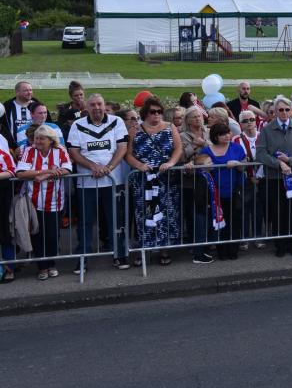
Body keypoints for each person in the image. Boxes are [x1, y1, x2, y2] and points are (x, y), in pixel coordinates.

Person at [67, 94, 130, 270]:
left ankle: (120, 255)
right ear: (86, 107)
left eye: (99, 104)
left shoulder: (116, 121)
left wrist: (108, 167)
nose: (97, 108)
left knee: (115, 220)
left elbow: (122, 147)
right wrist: (93, 166)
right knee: (85, 222)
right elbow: (74, 151)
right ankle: (83, 258)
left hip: (112, 181)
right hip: (86, 183)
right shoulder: (78, 125)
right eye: (92, 105)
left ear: (104, 105)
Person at [125, 97, 182, 266]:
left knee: (167, 214)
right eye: (152, 112)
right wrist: (139, 165)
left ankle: (164, 249)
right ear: (145, 113)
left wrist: (171, 163)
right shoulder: (135, 131)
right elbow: (127, 154)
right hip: (143, 180)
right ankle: (144, 249)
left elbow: (178, 148)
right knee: (144, 214)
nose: (156, 115)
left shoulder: (170, 128)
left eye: (159, 111)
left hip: (165, 179)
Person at [254, 96, 292, 258]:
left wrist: (291, 161)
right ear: (276, 112)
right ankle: (280, 244)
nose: (284, 112)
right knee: (278, 211)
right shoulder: (267, 129)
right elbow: (260, 154)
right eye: (281, 110)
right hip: (274, 177)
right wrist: (279, 163)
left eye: (287, 109)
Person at [16, 125, 72, 280]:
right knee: (37, 235)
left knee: (52, 235)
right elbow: (21, 173)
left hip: (55, 201)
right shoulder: (29, 151)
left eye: (41, 138)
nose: (38, 141)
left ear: (50, 140)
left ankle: (52, 264)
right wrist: (47, 172)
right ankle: (42, 267)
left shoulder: (59, 150)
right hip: (33, 201)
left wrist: (43, 177)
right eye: (36, 138)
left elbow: (67, 168)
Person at [199, 122, 247, 260]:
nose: (227, 136)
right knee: (219, 223)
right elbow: (201, 166)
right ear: (215, 136)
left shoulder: (237, 148)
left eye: (228, 133)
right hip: (215, 194)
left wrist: (238, 164)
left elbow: (245, 166)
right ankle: (222, 251)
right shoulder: (207, 150)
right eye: (222, 134)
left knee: (234, 221)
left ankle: (233, 250)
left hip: (233, 191)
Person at [233, 110, 266, 249]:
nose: (249, 123)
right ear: (240, 124)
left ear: (256, 120)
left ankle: (259, 237)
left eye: (251, 119)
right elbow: (235, 160)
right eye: (245, 121)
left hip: (261, 178)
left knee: (259, 210)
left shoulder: (263, 136)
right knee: (244, 210)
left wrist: (258, 176)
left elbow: (267, 157)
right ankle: (244, 238)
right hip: (244, 181)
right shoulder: (236, 139)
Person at [0, 144, 15, 283]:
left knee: (4, 233)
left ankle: (9, 268)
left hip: (2, 197)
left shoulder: (2, 154)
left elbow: (12, 171)